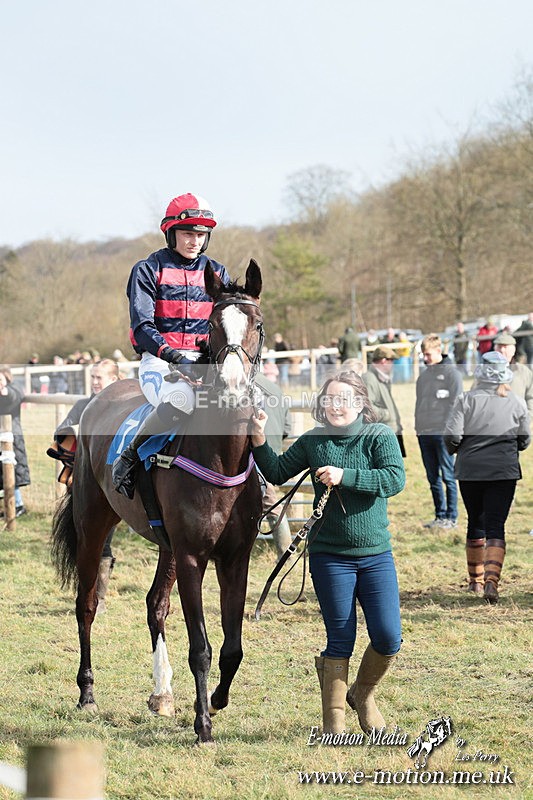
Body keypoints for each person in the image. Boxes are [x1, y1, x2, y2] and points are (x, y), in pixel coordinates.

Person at [250, 370, 405, 735]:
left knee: (388, 636)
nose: (337, 406)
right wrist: (258, 437)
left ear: (360, 403)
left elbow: (394, 480)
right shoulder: (314, 441)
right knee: (340, 638)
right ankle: (334, 725)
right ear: (322, 404)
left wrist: (345, 475)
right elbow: (275, 470)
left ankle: (363, 695)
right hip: (329, 555)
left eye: (345, 399)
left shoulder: (378, 436)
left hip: (375, 554)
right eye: (330, 399)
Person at [111, 193, 231, 499]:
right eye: (187, 233)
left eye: (200, 234)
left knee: (248, 402)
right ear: (171, 233)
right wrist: (175, 357)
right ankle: (128, 458)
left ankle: (256, 477)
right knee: (182, 401)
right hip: (161, 362)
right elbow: (142, 327)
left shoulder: (218, 272)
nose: (194, 241)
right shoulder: (148, 269)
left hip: (207, 363)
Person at [444, 352, 530, 603]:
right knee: (496, 525)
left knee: (475, 521)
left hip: (470, 470)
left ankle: (475, 582)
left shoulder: (465, 400)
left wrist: (457, 450)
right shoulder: (516, 402)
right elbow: (524, 440)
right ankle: (492, 581)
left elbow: (451, 436)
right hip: (503, 471)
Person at [50, 359, 121, 613]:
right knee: (83, 537)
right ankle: (85, 592)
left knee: (104, 541)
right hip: (82, 484)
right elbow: (62, 431)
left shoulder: (122, 407)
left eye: (99, 378)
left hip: (110, 486)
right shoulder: (83, 405)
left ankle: (99, 598)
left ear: (114, 380)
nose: (94, 382)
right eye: (92, 377)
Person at [415, 334, 463, 529]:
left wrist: (448, 430)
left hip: (442, 433)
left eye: (427, 354)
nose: (425, 358)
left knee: (448, 475)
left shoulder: (452, 374)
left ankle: (452, 517)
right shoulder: (423, 376)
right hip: (424, 433)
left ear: (438, 351)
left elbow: (456, 404)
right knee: (432, 477)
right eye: (423, 355)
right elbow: (419, 403)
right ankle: (439, 515)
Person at [254, 371, 293, 559]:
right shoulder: (276, 389)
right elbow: (287, 428)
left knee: (271, 503)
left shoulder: (245, 386)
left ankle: (286, 552)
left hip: (254, 453)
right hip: (272, 452)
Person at [363, 347, 405, 456]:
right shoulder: (369, 379)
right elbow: (366, 408)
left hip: (391, 431)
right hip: (382, 433)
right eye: (391, 361)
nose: (393, 364)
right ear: (384, 360)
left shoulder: (382, 378)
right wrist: (387, 414)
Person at [0, 366, 30, 518]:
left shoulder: (12, 389)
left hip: (11, 437)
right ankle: (7, 505)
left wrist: (5, 390)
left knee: (12, 471)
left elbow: (15, 395)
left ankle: (17, 505)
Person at [493, 332, 533, 416]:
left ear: (513, 351)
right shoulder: (484, 372)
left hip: (518, 421)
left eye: (505, 347)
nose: (502, 350)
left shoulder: (524, 371)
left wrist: (528, 415)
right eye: (499, 347)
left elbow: (530, 396)